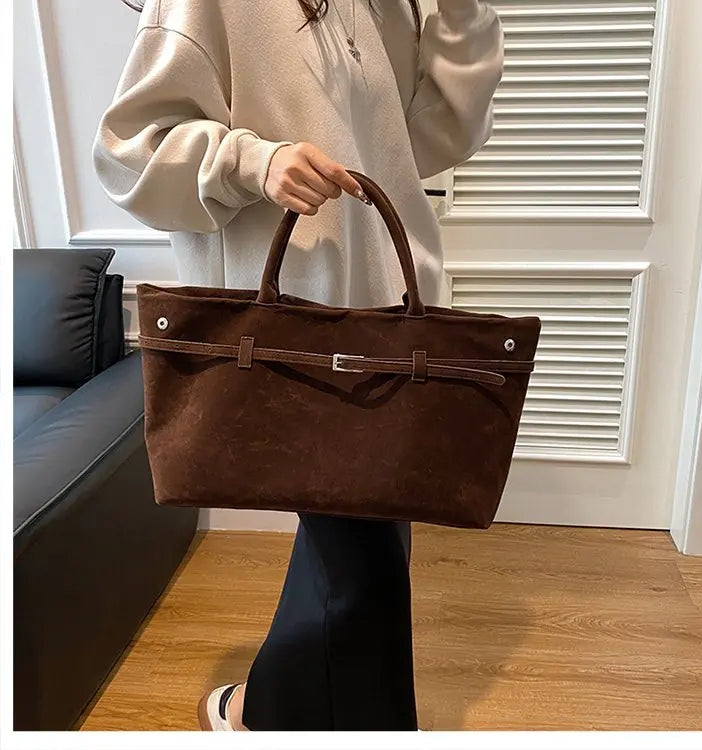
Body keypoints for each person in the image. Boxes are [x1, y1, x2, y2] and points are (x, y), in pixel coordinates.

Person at [92, 0, 503, 732]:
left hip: (384, 314)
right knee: (364, 565)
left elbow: (434, 138)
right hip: (292, 331)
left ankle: (261, 710)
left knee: (361, 547)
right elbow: (128, 153)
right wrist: (256, 161)